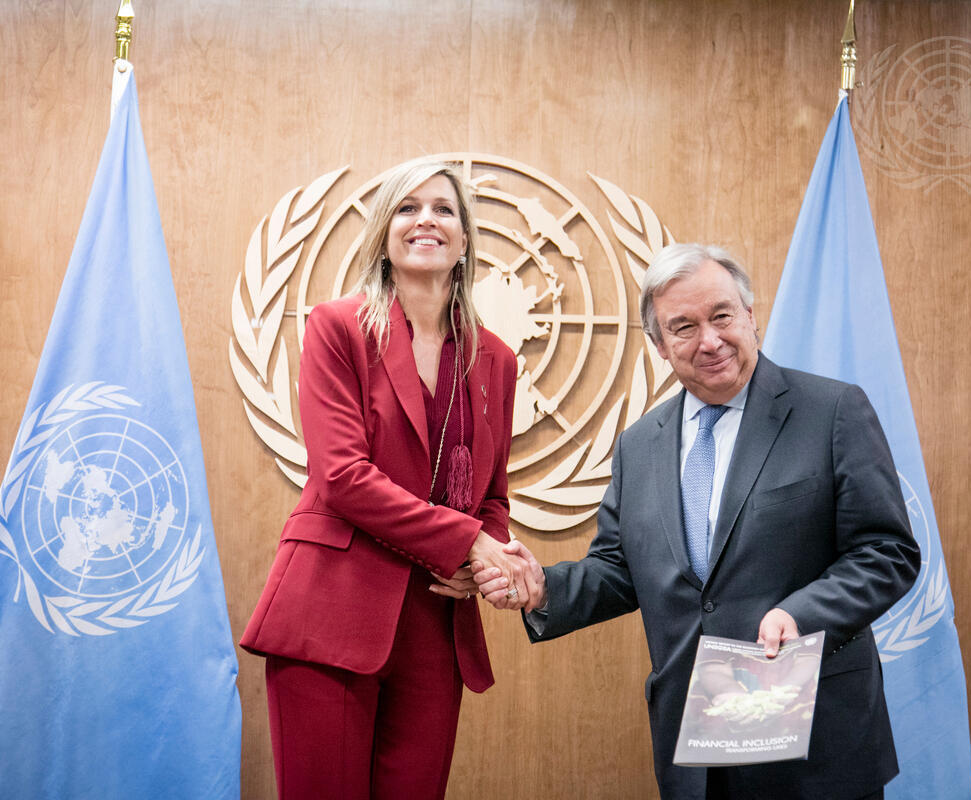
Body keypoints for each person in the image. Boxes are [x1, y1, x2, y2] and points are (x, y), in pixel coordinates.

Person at [475, 243, 920, 799]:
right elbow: (619, 568)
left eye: (722, 316)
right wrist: (543, 588)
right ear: (661, 346)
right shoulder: (639, 445)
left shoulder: (831, 411)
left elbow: (886, 551)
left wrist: (800, 613)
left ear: (751, 316)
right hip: (695, 750)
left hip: (813, 742)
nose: (709, 341)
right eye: (683, 327)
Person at [240, 159, 528, 800]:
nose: (427, 219)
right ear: (384, 234)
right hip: (331, 608)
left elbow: (491, 497)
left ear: (465, 239)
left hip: (436, 621)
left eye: (444, 209)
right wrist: (469, 543)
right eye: (407, 207)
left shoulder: (497, 360)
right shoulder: (338, 327)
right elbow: (343, 477)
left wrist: (486, 559)